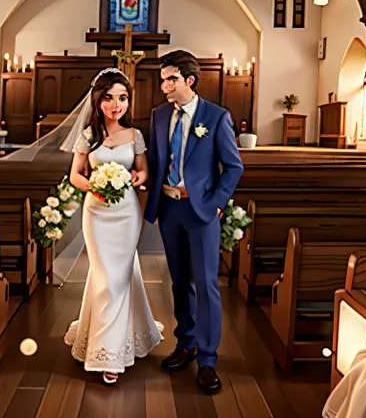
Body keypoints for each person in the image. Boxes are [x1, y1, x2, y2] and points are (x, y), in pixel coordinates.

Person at [144, 50, 244, 395]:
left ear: (189, 80)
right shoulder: (158, 116)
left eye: (170, 79)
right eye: (162, 80)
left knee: (206, 285)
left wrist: (216, 203)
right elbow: (156, 162)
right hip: (169, 210)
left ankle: (207, 360)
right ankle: (184, 343)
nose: (164, 86)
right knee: (178, 282)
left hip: (201, 212)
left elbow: (233, 166)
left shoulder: (215, 117)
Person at [63, 68, 163, 386]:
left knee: (119, 277)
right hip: (96, 214)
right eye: (109, 98)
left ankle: (111, 352)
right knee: (104, 276)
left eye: (122, 98)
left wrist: (137, 178)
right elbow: (75, 175)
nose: (116, 105)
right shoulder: (88, 137)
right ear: (98, 101)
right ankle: (104, 345)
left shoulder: (134, 136)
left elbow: (143, 171)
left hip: (125, 215)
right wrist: (94, 186)